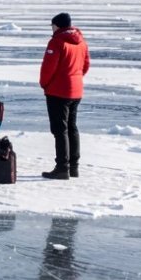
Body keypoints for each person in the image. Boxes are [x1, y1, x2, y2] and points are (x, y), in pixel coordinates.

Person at [41, 12, 90, 180]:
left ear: (58, 25)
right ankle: (73, 167)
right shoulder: (81, 41)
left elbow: (48, 68)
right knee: (72, 127)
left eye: (53, 25)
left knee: (60, 129)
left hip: (58, 91)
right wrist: (76, 79)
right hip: (76, 91)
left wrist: (45, 84)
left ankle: (62, 167)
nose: (52, 28)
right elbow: (86, 65)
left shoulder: (56, 41)